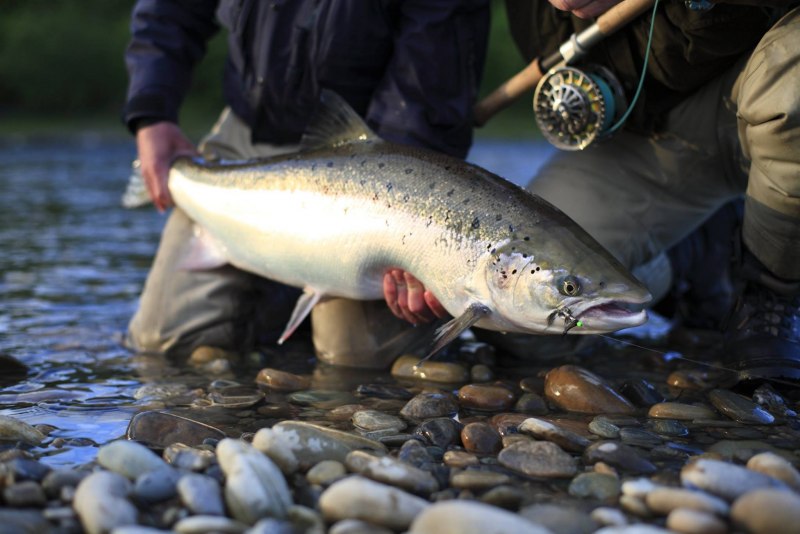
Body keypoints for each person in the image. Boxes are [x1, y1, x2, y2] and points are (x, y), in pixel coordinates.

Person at [405, 0, 800, 380]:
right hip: (647, 133)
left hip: (765, 84)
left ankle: (773, 288)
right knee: (519, 319)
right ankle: (688, 254)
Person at [122, 0, 488, 368]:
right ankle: (279, 284)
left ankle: (279, 284)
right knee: (161, 341)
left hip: (381, 148)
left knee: (358, 357)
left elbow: (427, 81)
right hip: (250, 130)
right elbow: (169, 11)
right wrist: (152, 113)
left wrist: (413, 239)